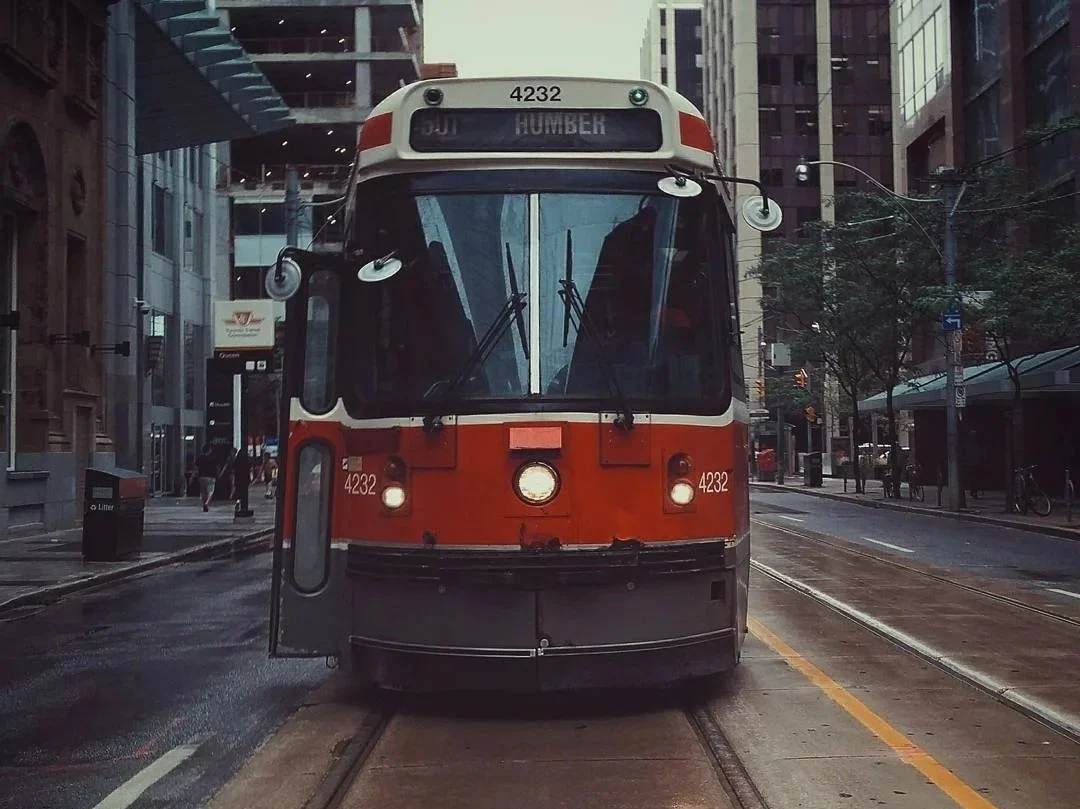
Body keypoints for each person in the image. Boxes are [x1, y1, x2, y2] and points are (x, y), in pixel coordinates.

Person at [196, 444, 218, 512]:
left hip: (201, 477)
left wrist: (193, 476)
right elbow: (217, 468)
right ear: (210, 450)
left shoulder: (200, 458)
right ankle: (206, 503)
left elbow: (196, 467)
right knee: (210, 492)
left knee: (203, 492)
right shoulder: (213, 458)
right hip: (211, 477)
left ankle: (204, 504)